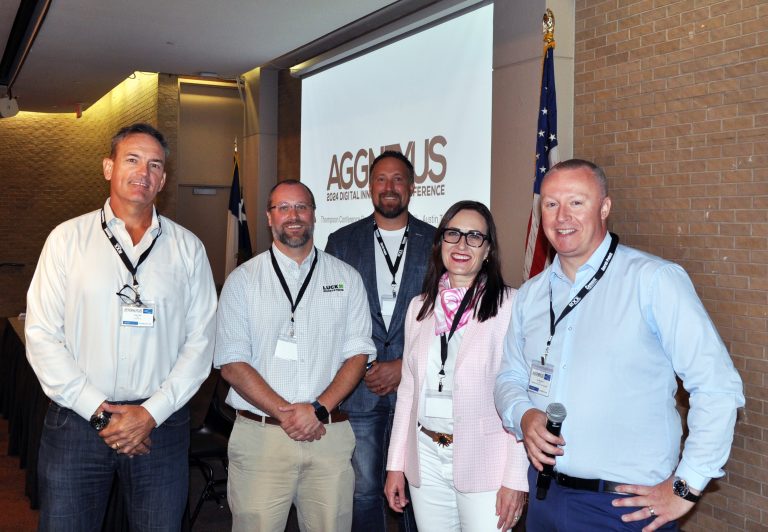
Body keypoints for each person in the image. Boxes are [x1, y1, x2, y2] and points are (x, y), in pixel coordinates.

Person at [494, 159, 745, 531]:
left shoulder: (654, 281)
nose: (562, 216)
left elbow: (717, 386)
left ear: (605, 208)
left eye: (576, 202)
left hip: (624, 510)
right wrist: (523, 415)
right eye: (551, 204)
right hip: (546, 498)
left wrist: (685, 486)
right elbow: (509, 376)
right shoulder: (531, 294)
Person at [25, 123, 217, 531]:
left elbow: (201, 342)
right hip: (78, 423)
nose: (142, 172)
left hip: (159, 427)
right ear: (108, 167)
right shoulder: (66, 240)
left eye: (154, 165)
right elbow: (42, 335)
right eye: (132, 159)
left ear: (163, 180)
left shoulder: (188, 249)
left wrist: (150, 413)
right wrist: (100, 414)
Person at [214, 179, 377, 531]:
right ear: (270, 217)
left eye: (301, 207)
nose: (293, 215)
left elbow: (358, 355)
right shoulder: (242, 281)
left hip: (328, 437)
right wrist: (288, 414)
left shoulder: (346, 278)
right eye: (283, 208)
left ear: (314, 215)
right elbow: (231, 362)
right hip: (262, 438)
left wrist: (317, 409)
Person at [385, 201, 529, 531]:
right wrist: (396, 464)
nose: (462, 245)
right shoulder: (419, 307)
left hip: (486, 462)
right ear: (440, 244)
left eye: (474, 236)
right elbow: (407, 391)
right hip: (425, 456)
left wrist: (516, 477)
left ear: (488, 250)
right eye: (453, 234)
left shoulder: (511, 305)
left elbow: (523, 395)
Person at [326, 150, 435, 531]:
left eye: (398, 179)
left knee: (416, 486)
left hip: (418, 387)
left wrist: (402, 364)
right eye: (381, 180)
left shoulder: (436, 241)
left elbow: (446, 319)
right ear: (370, 186)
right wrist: (368, 366)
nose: (389, 188)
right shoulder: (341, 241)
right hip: (359, 386)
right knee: (363, 490)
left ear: (412, 187)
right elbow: (331, 316)